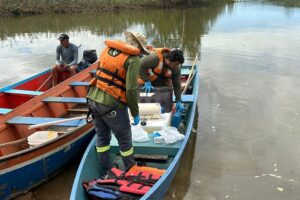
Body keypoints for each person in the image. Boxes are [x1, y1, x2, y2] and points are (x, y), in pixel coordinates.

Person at [87, 31, 150, 174]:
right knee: (125, 140)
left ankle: (106, 171)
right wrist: (135, 113)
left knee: (102, 138)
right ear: (139, 48)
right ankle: (130, 170)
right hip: (111, 105)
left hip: (93, 99)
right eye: (141, 51)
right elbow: (131, 89)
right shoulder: (133, 59)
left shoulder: (107, 49)